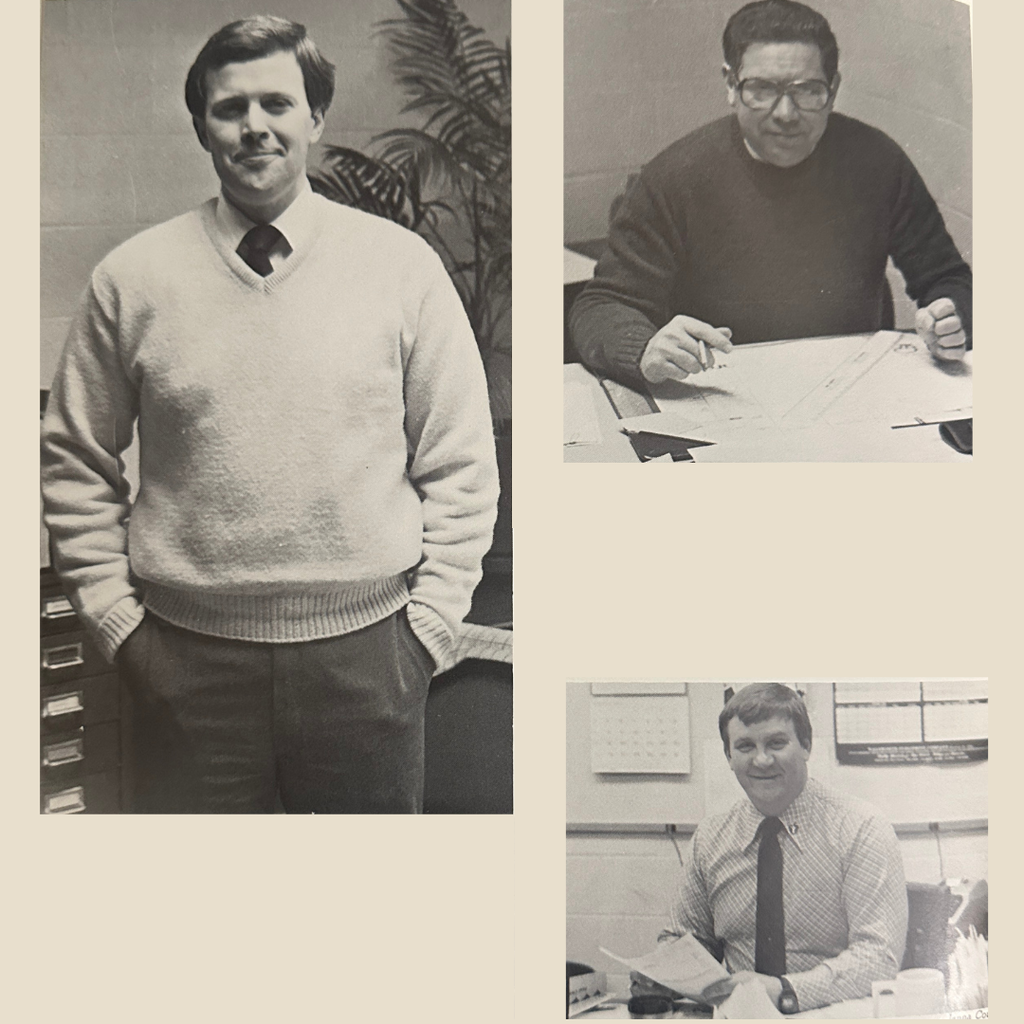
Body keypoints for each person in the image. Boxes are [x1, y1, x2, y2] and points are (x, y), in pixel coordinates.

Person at [40, 16, 499, 814]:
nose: (254, 126)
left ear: (315, 117)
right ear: (202, 127)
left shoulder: (401, 268)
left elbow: (461, 460)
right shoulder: (132, 279)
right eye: (230, 108)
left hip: (369, 660)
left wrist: (429, 627)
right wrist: (118, 623)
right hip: (184, 664)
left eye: (277, 103)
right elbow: (74, 459)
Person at [571, 0, 972, 391]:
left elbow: (949, 279)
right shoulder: (675, 177)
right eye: (762, 89)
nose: (785, 113)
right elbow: (599, 306)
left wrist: (951, 319)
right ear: (731, 85)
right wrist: (643, 347)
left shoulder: (878, 161)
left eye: (807, 90)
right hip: (720, 394)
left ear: (833, 90)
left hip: (849, 393)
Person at [634, 684, 907, 1014]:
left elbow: (879, 957)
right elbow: (687, 941)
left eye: (776, 743)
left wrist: (786, 991)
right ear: (729, 757)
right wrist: (664, 971)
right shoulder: (709, 839)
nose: (762, 760)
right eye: (745, 746)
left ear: (806, 745)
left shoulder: (861, 829)